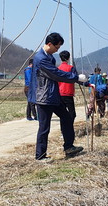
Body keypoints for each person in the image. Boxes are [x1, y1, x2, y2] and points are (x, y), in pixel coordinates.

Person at [28, 33, 88, 161]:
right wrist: (75, 78)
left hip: (53, 95)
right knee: (44, 127)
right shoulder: (41, 58)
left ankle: (69, 147)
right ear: (49, 44)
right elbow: (55, 74)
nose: (58, 49)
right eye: (57, 46)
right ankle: (40, 156)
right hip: (44, 98)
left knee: (66, 118)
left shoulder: (49, 57)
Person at [57, 50, 81, 122]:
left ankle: (63, 129)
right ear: (69, 58)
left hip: (59, 93)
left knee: (62, 114)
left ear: (60, 58)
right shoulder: (71, 68)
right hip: (68, 93)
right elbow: (76, 79)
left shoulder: (57, 69)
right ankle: (69, 128)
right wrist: (87, 84)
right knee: (72, 114)